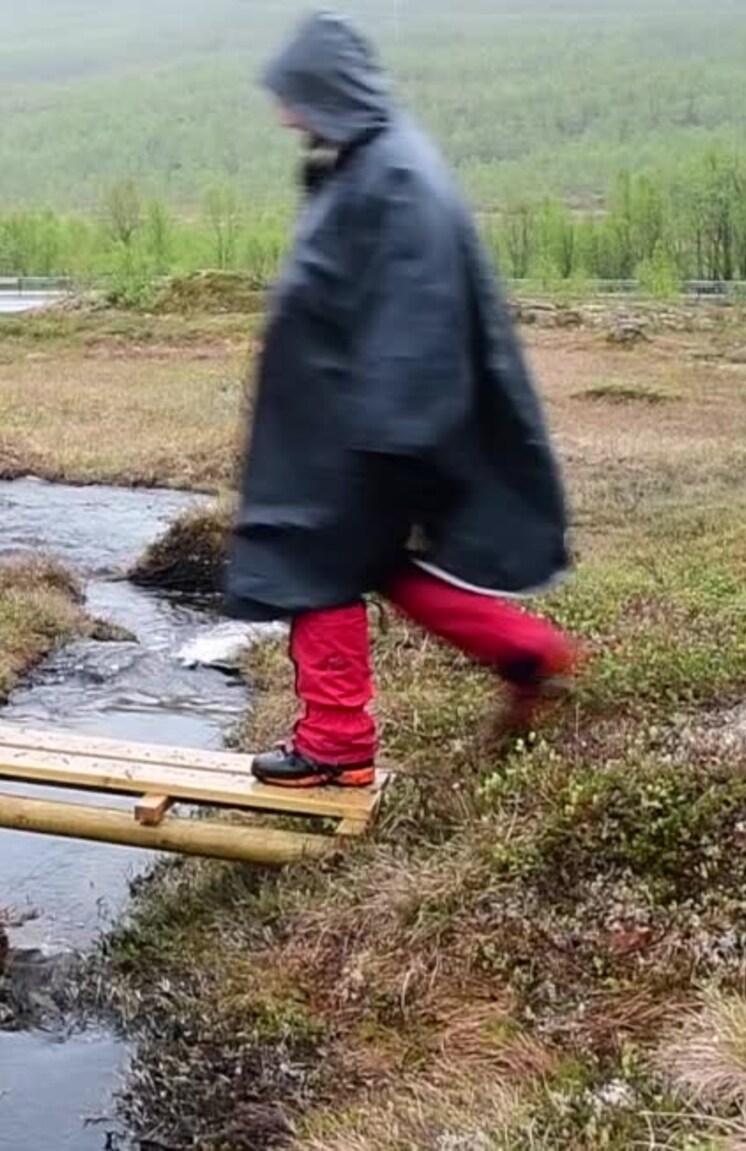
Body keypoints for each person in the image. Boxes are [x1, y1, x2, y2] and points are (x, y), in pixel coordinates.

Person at [226, 13, 579, 789]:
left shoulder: (393, 173)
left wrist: (390, 434)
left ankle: (336, 741)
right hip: (351, 423)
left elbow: (419, 307)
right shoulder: (369, 160)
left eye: (292, 94)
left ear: (325, 89)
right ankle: (518, 648)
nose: (282, 111)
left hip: (366, 428)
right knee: (368, 564)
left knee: (317, 568)